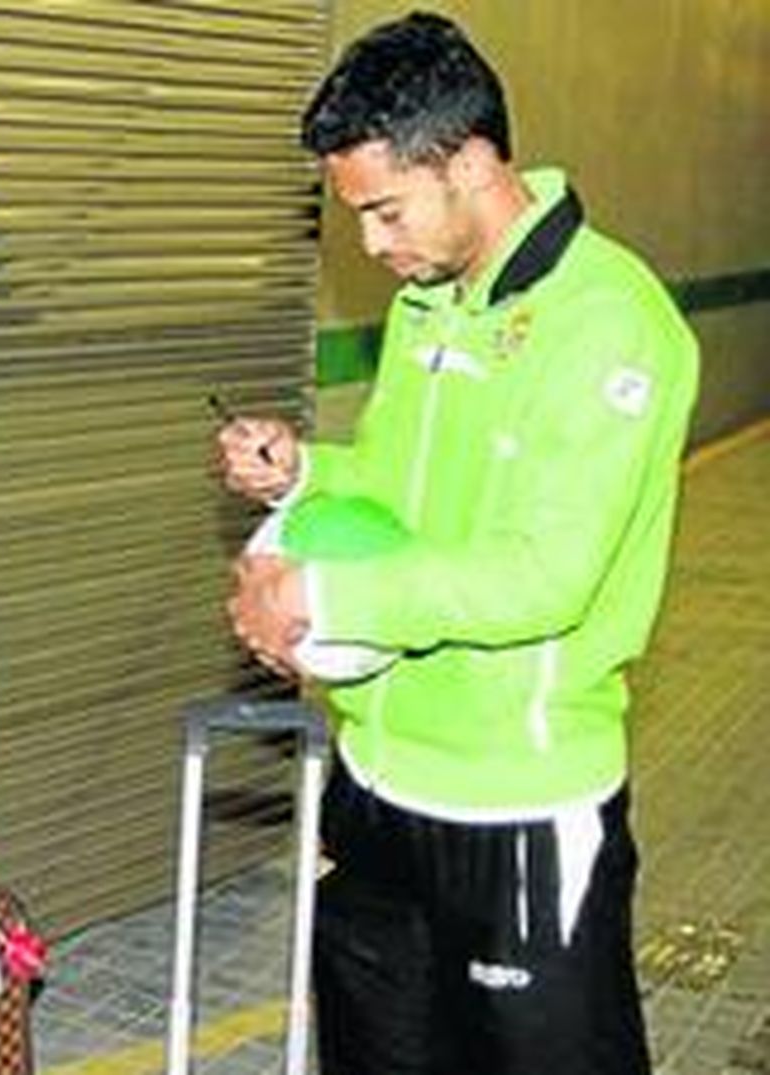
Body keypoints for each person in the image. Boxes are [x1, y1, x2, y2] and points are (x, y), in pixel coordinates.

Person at [218, 13, 696, 1074]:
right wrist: (306, 473)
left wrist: (317, 601)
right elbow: (399, 491)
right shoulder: (427, 307)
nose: (371, 245)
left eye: (385, 211)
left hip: (515, 809)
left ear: (470, 163)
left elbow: (544, 574)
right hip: (375, 786)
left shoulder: (610, 321)